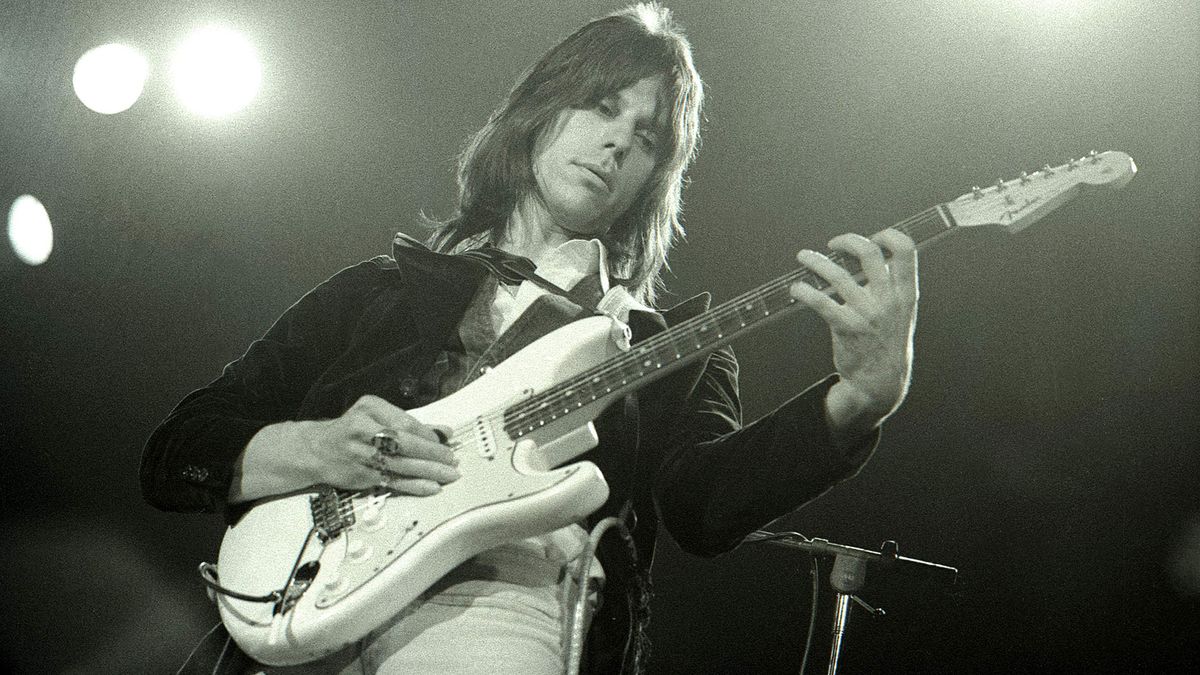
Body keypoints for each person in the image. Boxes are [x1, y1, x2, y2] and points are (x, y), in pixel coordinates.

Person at [141, 3, 918, 674]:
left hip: (499, 606)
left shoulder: (667, 347)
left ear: (655, 176)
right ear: (541, 110)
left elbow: (704, 506)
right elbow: (179, 449)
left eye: (647, 137)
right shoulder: (378, 292)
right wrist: (322, 448)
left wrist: (857, 400)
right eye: (602, 105)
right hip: (303, 598)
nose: (618, 142)